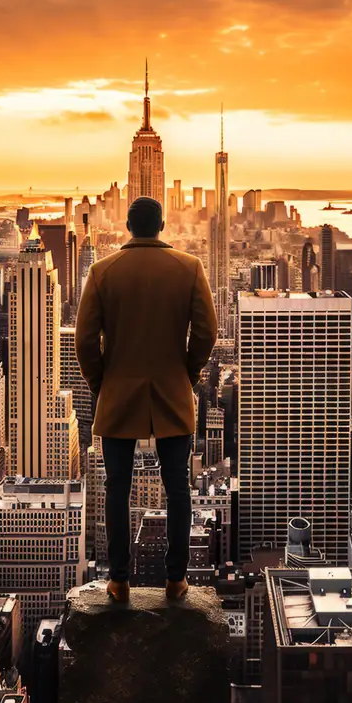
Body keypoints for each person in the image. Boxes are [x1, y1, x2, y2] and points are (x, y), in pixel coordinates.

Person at [75, 196, 218, 603]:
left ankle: (118, 580)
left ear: (127, 224)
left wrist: (102, 384)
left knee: (116, 488)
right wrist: (185, 375)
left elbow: (85, 340)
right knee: (178, 490)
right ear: (162, 225)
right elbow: (206, 333)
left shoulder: (102, 271)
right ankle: (177, 580)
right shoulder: (189, 268)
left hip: (118, 395)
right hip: (173, 393)